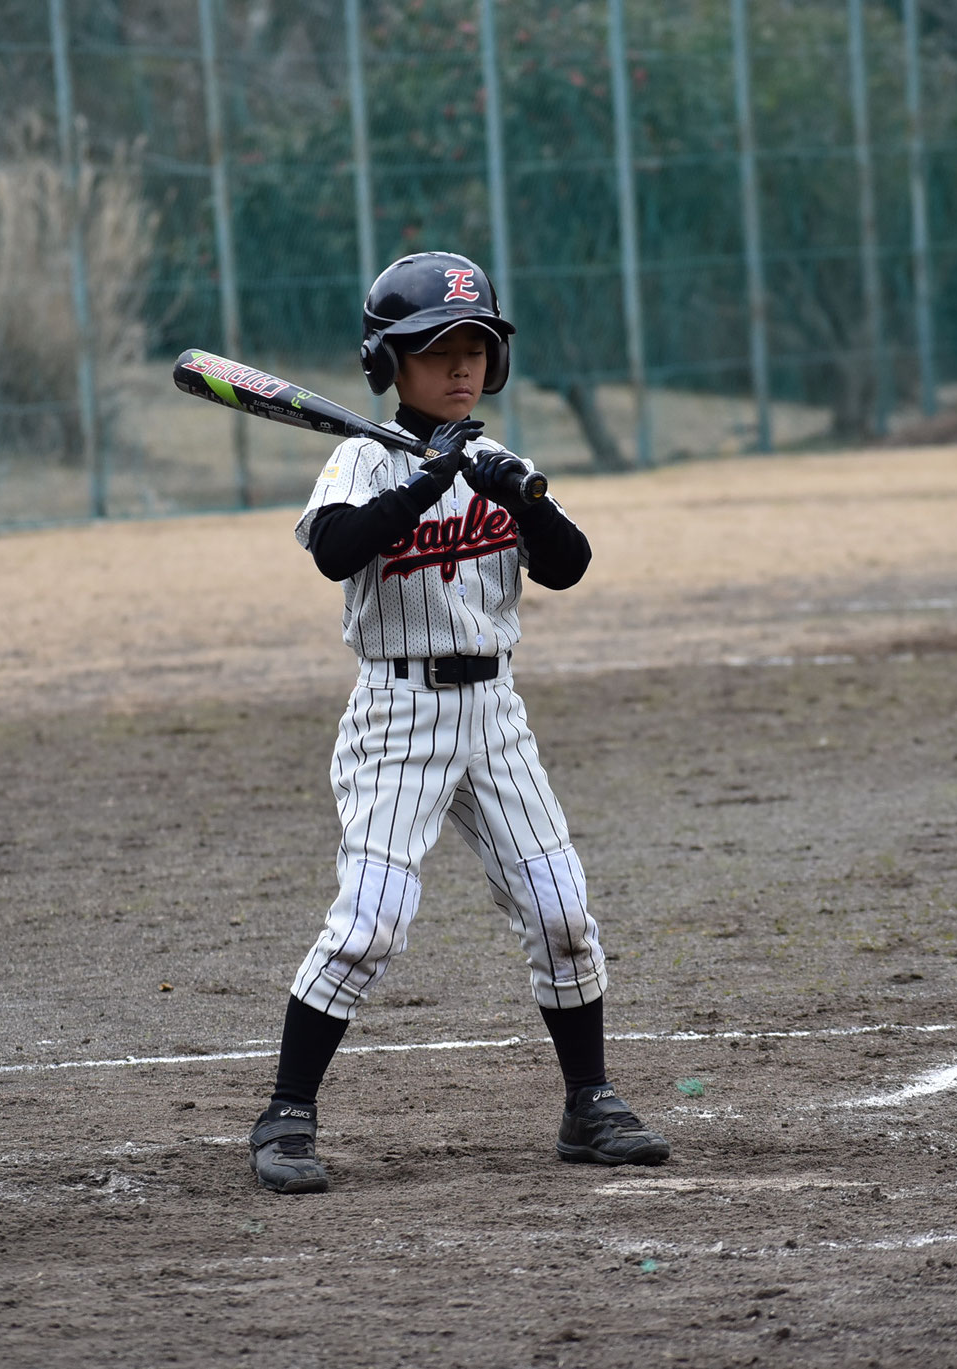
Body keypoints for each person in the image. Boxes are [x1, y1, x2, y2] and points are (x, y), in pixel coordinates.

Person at [247, 251, 670, 1195]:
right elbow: (337, 551)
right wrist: (424, 483)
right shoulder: (358, 458)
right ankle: (286, 1113)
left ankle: (589, 1101)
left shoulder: (493, 460)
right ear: (387, 364)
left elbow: (568, 565)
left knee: (562, 911)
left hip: (496, 712)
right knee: (371, 924)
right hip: (398, 712)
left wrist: (523, 494)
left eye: (477, 348)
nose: (463, 367)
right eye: (439, 350)